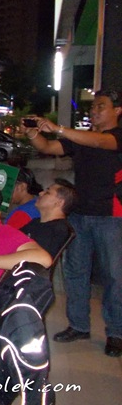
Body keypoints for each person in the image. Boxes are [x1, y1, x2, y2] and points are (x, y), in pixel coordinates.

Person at [23, 89, 122, 357]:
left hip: (111, 215)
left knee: (114, 276)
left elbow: (100, 142)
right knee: (75, 271)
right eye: (93, 106)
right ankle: (78, 325)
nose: (94, 110)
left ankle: (116, 332)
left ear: (117, 111)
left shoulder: (114, 137)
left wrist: (59, 128)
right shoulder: (82, 139)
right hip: (78, 214)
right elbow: (47, 148)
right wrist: (32, 132)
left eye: (101, 106)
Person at [20, 178, 77, 259]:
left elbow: (38, 259)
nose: (40, 193)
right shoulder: (35, 222)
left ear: (59, 202)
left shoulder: (58, 229)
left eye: (47, 193)